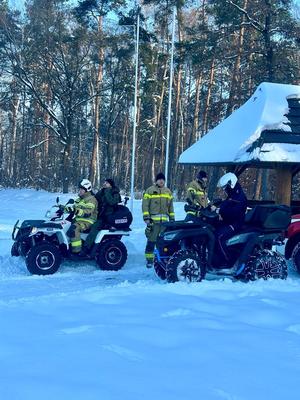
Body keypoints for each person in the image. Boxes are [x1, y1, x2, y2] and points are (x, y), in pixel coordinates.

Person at [213, 172, 247, 267]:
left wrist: (218, 210)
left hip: (235, 224)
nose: (224, 190)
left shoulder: (239, 196)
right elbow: (225, 205)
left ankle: (226, 261)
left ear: (231, 184)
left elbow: (234, 213)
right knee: (212, 229)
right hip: (228, 222)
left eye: (225, 187)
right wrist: (215, 206)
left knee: (218, 236)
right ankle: (212, 257)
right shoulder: (233, 195)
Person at [142, 172, 175, 268]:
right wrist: (146, 217)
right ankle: (149, 260)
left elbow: (171, 207)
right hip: (153, 222)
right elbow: (145, 205)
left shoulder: (168, 191)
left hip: (164, 223)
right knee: (151, 241)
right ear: (156, 181)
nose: (161, 181)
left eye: (163, 179)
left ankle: (161, 258)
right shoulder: (150, 190)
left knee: (162, 242)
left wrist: (172, 218)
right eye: (159, 179)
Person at [83, 178, 121, 253]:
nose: (104, 184)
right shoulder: (102, 191)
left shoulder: (115, 192)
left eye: (107, 183)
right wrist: (88, 193)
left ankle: (86, 248)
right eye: (104, 182)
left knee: (95, 227)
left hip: (108, 217)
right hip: (99, 214)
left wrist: (107, 191)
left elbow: (112, 202)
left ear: (110, 184)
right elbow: (95, 198)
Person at [66, 179, 98, 254]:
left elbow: (87, 212)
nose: (79, 191)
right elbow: (73, 207)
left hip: (88, 221)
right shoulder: (80, 199)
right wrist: (63, 208)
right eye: (79, 189)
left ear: (87, 189)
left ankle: (77, 251)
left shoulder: (91, 199)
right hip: (79, 220)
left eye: (81, 189)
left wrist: (76, 211)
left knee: (74, 229)